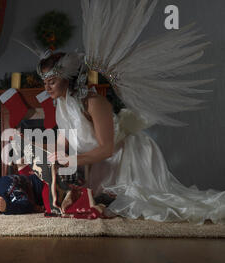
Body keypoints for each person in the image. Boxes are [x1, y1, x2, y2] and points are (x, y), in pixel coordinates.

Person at [21, 0, 225, 224]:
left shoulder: (94, 102)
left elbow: (107, 149)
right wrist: (27, 145)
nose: (46, 87)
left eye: (52, 81)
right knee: (94, 204)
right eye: (45, 82)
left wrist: (71, 159)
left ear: (68, 78)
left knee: (141, 205)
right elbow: (60, 147)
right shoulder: (62, 105)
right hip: (99, 165)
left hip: (127, 159)